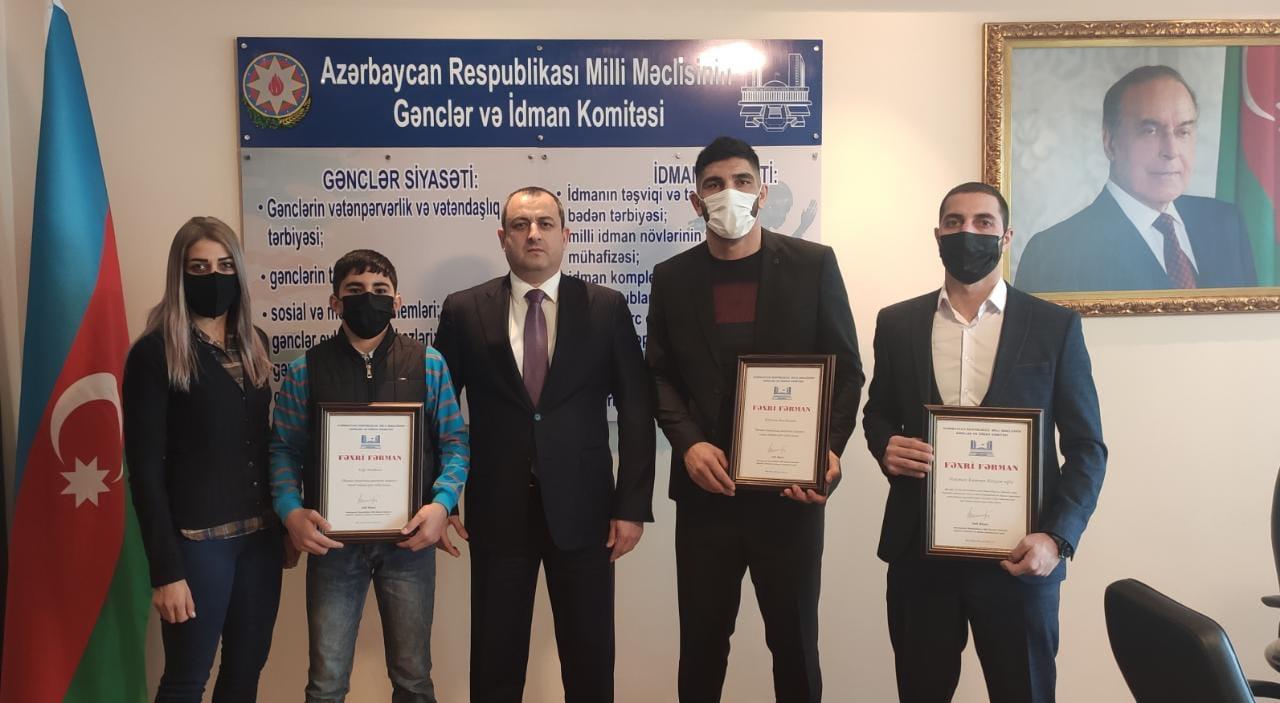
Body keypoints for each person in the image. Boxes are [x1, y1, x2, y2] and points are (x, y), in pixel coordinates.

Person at [864, 182, 1107, 703]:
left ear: (1006, 236)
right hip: (920, 555)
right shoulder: (897, 323)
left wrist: (1057, 538)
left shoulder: (1055, 326)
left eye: (982, 223)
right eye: (954, 222)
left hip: (1020, 557)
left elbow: (1088, 447)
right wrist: (885, 445)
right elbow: (878, 410)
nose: (967, 232)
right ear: (937, 235)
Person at [646, 136, 863, 702]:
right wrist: (689, 444)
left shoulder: (813, 265)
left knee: (795, 648)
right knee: (701, 650)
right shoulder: (672, 277)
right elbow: (658, 375)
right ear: (696, 201)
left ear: (762, 193)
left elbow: (847, 371)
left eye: (742, 181)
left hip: (789, 497)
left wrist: (829, 450)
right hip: (706, 496)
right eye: (714, 184)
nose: (730, 193)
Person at [433, 186, 655, 703]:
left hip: (586, 513)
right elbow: (438, 411)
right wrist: (440, 499)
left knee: (589, 661)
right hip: (497, 510)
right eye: (520, 224)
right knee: (495, 663)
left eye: (545, 223)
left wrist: (631, 506)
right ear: (502, 238)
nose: (533, 234)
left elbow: (636, 410)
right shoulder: (464, 309)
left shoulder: (605, 307)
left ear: (565, 235)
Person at [269, 249, 469, 703]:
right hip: (331, 544)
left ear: (397, 301)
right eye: (355, 290)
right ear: (335, 303)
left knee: (413, 679)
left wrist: (441, 505)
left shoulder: (429, 363)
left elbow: (455, 443)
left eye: (380, 290)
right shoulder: (304, 370)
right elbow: (283, 450)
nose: (368, 298)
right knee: (326, 684)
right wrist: (290, 512)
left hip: (409, 542)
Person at [123, 216, 287, 702]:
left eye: (224, 265)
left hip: (259, 541)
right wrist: (165, 572)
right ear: (180, 274)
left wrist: (285, 524)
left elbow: (263, 441)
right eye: (199, 267)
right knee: (186, 680)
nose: (214, 276)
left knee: (244, 674)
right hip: (198, 546)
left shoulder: (254, 342)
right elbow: (145, 472)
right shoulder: (155, 353)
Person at [1016, 64, 1256, 293]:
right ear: (1110, 143)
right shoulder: (1054, 253)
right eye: (1150, 131)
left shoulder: (1226, 223)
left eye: (1183, 131)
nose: (1171, 150)